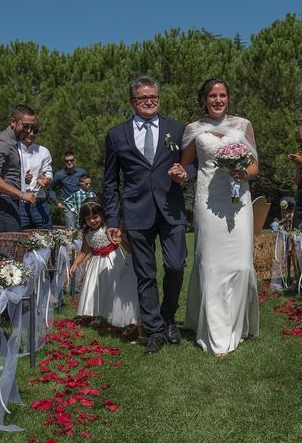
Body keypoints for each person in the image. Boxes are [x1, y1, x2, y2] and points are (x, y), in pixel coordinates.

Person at [103, 75, 191, 355]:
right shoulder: (117, 134)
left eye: (153, 96)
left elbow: (196, 165)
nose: (149, 101)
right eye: (142, 98)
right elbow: (109, 181)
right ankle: (153, 330)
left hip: (172, 208)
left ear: (159, 99)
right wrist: (113, 220)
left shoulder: (178, 130)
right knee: (145, 273)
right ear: (132, 102)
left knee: (176, 265)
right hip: (136, 212)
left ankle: (168, 316)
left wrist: (185, 173)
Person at [178, 77, 260, 357]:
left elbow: (255, 165)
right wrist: (179, 173)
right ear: (203, 99)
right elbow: (185, 163)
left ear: (228, 98)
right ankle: (216, 334)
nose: (217, 100)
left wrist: (243, 172)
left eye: (222, 95)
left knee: (241, 266)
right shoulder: (193, 129)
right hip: (207, 200)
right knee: (211, 265)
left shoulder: (243, 125)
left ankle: (239, 323)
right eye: (212, 96)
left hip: (238, 201)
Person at [70, 200, 142, 334]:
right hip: (95, 263)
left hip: (112, 259)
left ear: (102, 215)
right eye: (88, 218)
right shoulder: (86, 233)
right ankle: (97, 315)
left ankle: (115, 316)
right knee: (96, 289)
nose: (92, 221)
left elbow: (122, 243)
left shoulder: (108, 228)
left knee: (114, 288)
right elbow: (84, 251)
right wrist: (75, 263)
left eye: (95, 217)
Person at [0, 105, 37, 232]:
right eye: (25, 126)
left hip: (9, 202)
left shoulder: (14, 143)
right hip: (0, 204)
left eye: (32, 127)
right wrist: (22, 194)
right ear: (13, 122)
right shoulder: (3, 143)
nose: (29, 131)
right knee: (8, 249)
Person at [18, 119, 53, 229]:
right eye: (28, 130)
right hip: (20, 203)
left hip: (40, 202)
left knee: (46, 241)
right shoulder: (13, 150)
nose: (31, 133)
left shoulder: (43, 151)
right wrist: (22, 181)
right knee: (19, 241)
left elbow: (49, 174)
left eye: (35, 131)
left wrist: (46, 180)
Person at [48, 151, 87, 228]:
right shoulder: (59, 174)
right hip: (68, 205)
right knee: (71, 228)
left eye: (71, 160)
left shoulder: (82, 172)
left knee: (84, 227)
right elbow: (50, 189)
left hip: (81, 203)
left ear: (75, 160)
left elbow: (88, 187)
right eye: (67, 161)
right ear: (64, 162)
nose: (69, 162)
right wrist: (57, 202)